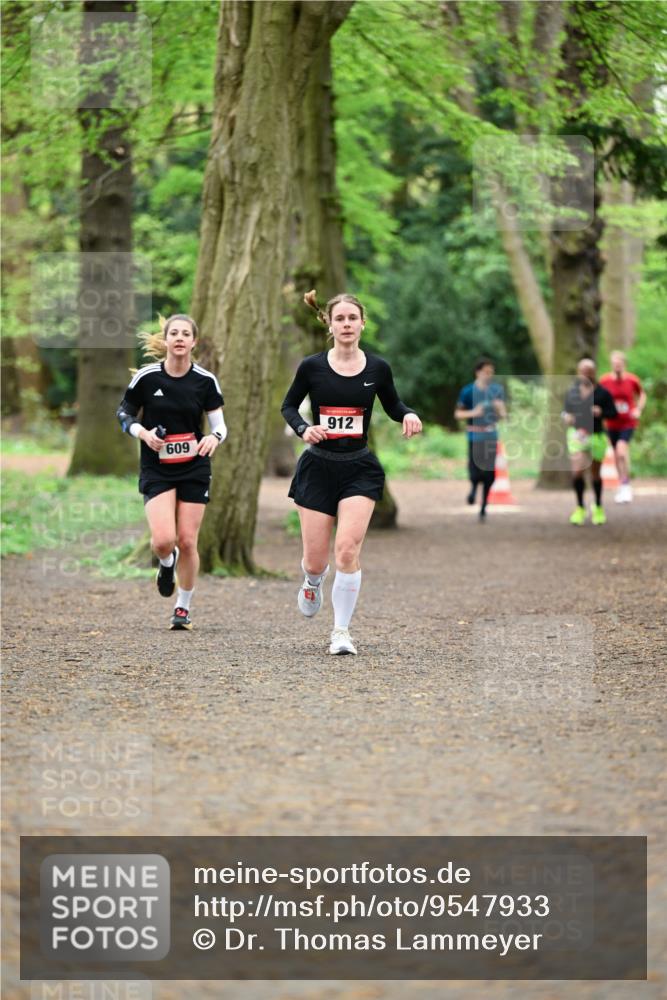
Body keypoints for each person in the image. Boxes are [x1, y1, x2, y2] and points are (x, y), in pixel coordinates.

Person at [281, 290, 422, 655]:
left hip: (359, 468)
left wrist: (408, 414)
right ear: (329, 324)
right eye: (339, 318)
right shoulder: (312, 367)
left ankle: (341, 632)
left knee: (346, 550)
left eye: (352, 318)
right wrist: (304, 429)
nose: (346, 324)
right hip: (317, 467)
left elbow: (393, 404)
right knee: (316, 561)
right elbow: (289, 406)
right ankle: (313, 580)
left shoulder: (378, 368)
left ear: (362, 324)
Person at [116, 314, 226, 629]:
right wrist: (143, 433)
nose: (179, 338)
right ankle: (167, 562)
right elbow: (124, 413)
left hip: (194, 465)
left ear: (194, 341)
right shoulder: (147, 377)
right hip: (157, 467)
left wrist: (213, 438)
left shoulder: (205, 380)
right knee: (164, 540)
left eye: (185, 334)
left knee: (188, 541)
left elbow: (220, 426)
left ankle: (183, 608)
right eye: (173, 333)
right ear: (165, 340)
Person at [562, 358, 617, 526]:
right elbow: (565, 412)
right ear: (578, 373)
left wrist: (601, 412)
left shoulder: (603, 393)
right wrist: (567, 418)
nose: (586, 374)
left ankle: (598, 506)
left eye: (589, 371)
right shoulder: (572, 392)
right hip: (577, 435)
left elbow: (613, 413)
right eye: (583, 371)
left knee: (595, 473)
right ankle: (580, 508)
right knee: (577, 472)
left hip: (596, 435)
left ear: (594, 372)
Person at [454, 358, 507, 520]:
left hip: (491, 435)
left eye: (491, 372)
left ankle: (484, 505)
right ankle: (473, 489)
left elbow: (504, 415)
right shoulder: (468, 391)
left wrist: (500, 409)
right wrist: (474, 413)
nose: (489, 375)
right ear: (478, 372)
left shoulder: (496, 390)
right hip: (474, 435)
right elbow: (458, 414)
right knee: (475, 469)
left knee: (490, 474)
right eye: (486, 372)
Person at [599, 350, 646, 503]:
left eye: (619, 364)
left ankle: (626, 485)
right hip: (611, 423)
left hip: (628, 422)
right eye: (614, 364)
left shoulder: (632, 380)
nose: (617, 367)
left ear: (624, 364)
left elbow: (642, 394)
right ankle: (622, 483)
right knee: (616, 454)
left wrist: (638, 409)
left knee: (621, 451)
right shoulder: (605, 381)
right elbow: (598, 397)